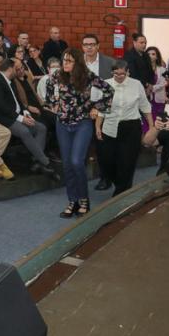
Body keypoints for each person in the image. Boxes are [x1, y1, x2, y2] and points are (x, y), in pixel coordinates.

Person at [44, 52, 112, 219]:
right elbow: (48, 93)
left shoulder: (87, 76)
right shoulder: (57, 76)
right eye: (63, 60)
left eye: (69, 61)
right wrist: (53, 105)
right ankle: (72, 201)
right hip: (63, 125)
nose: (65, 63)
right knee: (67, 164)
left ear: (77, 63)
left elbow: (109, 90)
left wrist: (96, 107)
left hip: (83, 123)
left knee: (76, 161)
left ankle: (83, 199)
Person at [0, 54, 53, 175]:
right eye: (16, 69)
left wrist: (25, 112)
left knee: (41, 128)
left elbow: (18, 101)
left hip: (18, 115)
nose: (19, 72)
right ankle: (45, 162)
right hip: (5, 118)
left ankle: (36, 160)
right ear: (10, 69)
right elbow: (1, 107)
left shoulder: (9, 81)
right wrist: (21, 118)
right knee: (24, 131)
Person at [94, 59, 152, 194]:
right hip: (109, 127)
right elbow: (102, 110)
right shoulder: (106, 85)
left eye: (122, 74)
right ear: (112, 72)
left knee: (127, 163)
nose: (119, 77)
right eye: (116, 74)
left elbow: (145, 106)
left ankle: (121, 193)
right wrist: (98, 127)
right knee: (107, 162)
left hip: (131, 127)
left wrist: (152, 126)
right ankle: (120, 186)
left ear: (128, 72)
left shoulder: (136, 84)